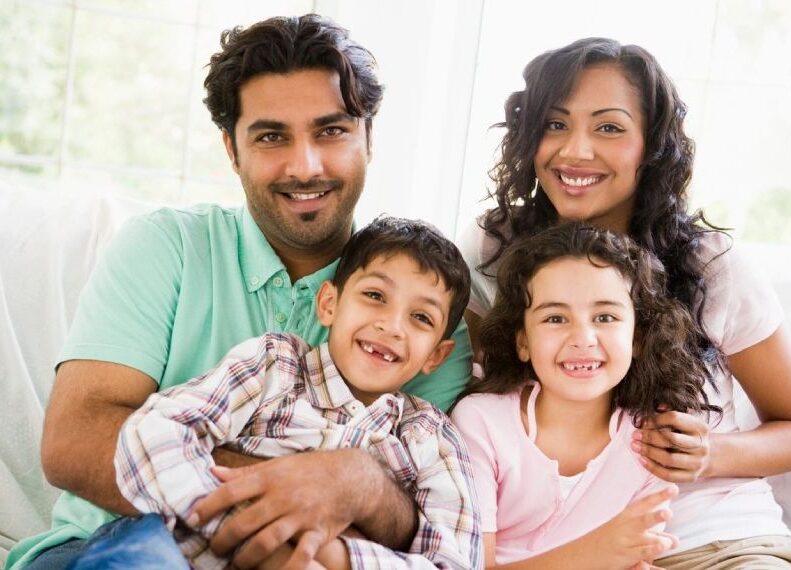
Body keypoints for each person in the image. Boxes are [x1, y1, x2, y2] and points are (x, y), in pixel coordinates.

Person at [7, 14, 473, 570]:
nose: (306, 165)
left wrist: (361, 483)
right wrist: (281, 492)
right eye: (272, 136)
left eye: (331, 131)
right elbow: (74, 444)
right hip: (120, 542)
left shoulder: (428, 325)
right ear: (231, 150)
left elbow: (424, 513)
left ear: (368, 138)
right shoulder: (167, 247)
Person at [456, 37, 791, 568]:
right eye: (554, 124)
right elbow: (467, 392)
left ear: (651, 147)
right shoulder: (494, 248)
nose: (576, 150)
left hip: (712, 541)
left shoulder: (710, 265)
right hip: (562, 550)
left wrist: (711, 454)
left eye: (609, 127)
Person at [73, 216, 482, 570]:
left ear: (437, 355)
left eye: (421, 317)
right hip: (179, 550)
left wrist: (332, 557)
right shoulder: (275, 364)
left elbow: (453, 560)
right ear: (329, 305)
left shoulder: (429, 437)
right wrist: (243, 528)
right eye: (375, 296)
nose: (392, 326)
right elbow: (155, 431)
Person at [452, 222, 713, 568]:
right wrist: (595, 554)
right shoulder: (481, 422)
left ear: (637, 337)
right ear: (523, 341)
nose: (583, 338)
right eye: (556, 318)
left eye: (605, 316)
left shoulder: (653, 438)